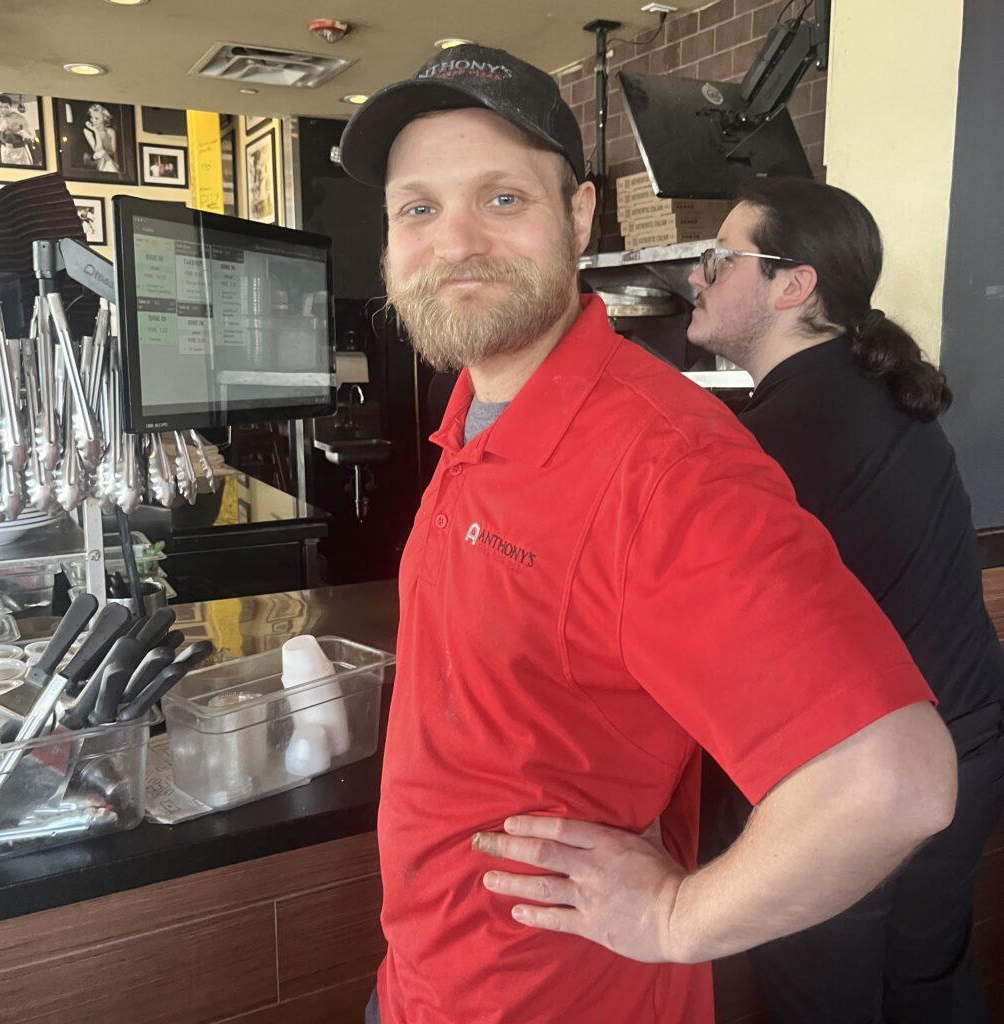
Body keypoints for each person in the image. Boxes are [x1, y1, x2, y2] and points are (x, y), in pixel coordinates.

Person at [338, 44, 957, 1024]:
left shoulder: (662, 463)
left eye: (502, 198)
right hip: (426, 981)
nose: (453, 239)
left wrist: (675, 916)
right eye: (418, 207)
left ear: (578, 216)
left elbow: (889, 780)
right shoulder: (473, 410)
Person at [687, 177, 1004, 1024]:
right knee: (929, 983)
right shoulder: (884, 396)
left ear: (793, 286)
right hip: (965, 758)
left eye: (721, 258)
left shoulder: (767, 442)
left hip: (857, 785)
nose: (698, 273)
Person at [0, 94, 35, 166]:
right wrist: (1, 129)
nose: (3, 110)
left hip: (20, 150)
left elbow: (32, 136)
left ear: (10, 107)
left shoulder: (19, 118)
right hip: (6, 150)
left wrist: (24, 134)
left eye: (6, 107)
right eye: (1, 107)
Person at [83, 103, 119, 173]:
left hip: (108, 162)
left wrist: (116, 164)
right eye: (91, 117)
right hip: (93, 162)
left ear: (104, 118)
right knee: (102, 153)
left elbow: (114, 152)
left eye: (96, 118)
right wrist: (96, 131)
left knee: (105, 156)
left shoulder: (111, 132)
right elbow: (97, 150)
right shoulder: (87, 131)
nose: (93, 120)